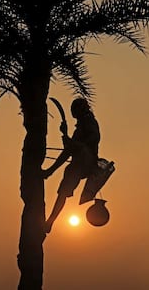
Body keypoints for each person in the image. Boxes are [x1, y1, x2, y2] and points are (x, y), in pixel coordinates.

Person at [43, 98, 101, 233]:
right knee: (63, 192)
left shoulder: (89, 122)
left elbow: (93, 139)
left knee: (64, 190)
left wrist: (73, 143)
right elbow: (69, 149)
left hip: (86, 163)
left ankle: (50, 221)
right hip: (78, 164)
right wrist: (65, 135)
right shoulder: (81, 126)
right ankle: (50, 221)